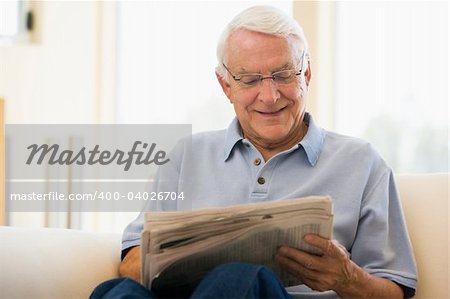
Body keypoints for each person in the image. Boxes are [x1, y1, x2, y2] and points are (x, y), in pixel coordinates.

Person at [94, 5, 417, 299]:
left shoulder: (361, 162)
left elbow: (396, 289)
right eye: (249, 80)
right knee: (116, 292)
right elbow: (132, 264)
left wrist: (347, 277)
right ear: (226, 86)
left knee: (240, 280)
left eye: (282, 75)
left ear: (305, 74)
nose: (269, 95)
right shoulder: (186, 155)